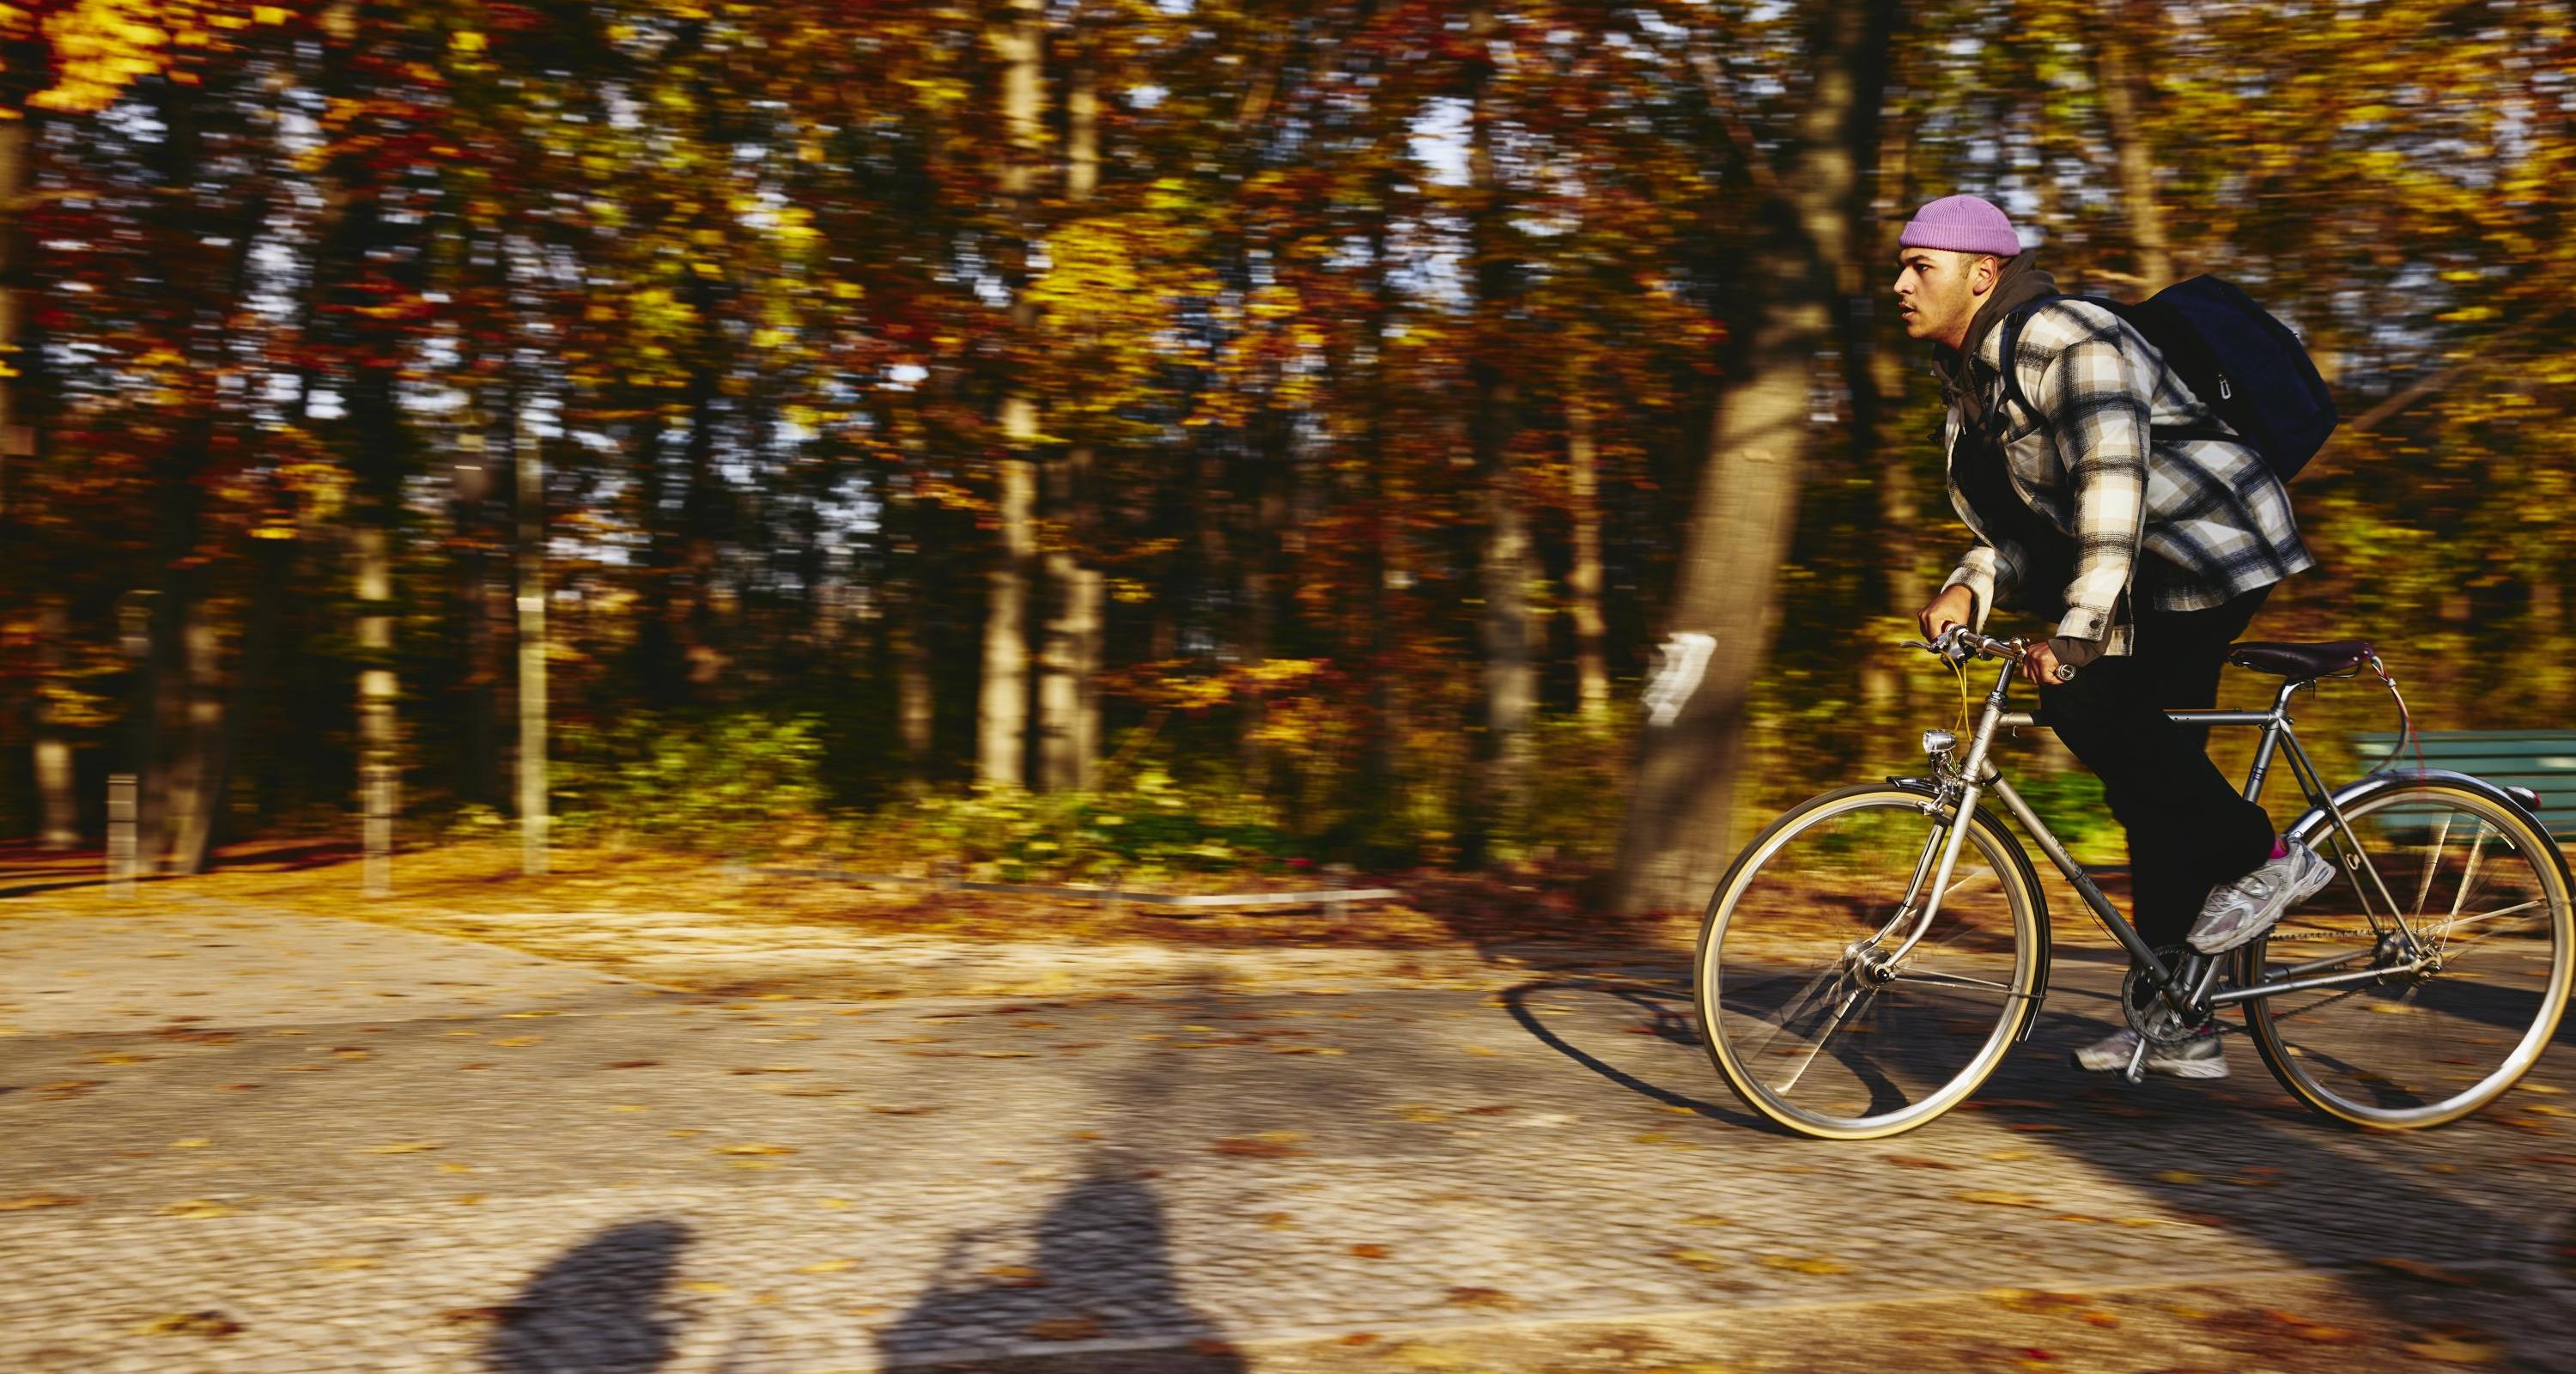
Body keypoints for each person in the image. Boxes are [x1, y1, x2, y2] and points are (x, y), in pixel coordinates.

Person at [1893, 193, 2336, 1079]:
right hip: (2145, 571)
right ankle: (2183, 1019)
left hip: (2209, 550)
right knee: (2144, 785)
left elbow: (2113, 490)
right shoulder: (1976, 379)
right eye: (1900, 267)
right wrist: (1969, 584)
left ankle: (2271, 857)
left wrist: (2079, 632)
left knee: (2088, 696)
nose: (1899, 284)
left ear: (1983, 274)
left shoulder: (2066, 339)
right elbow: (2030, 524)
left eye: (1919, 267)